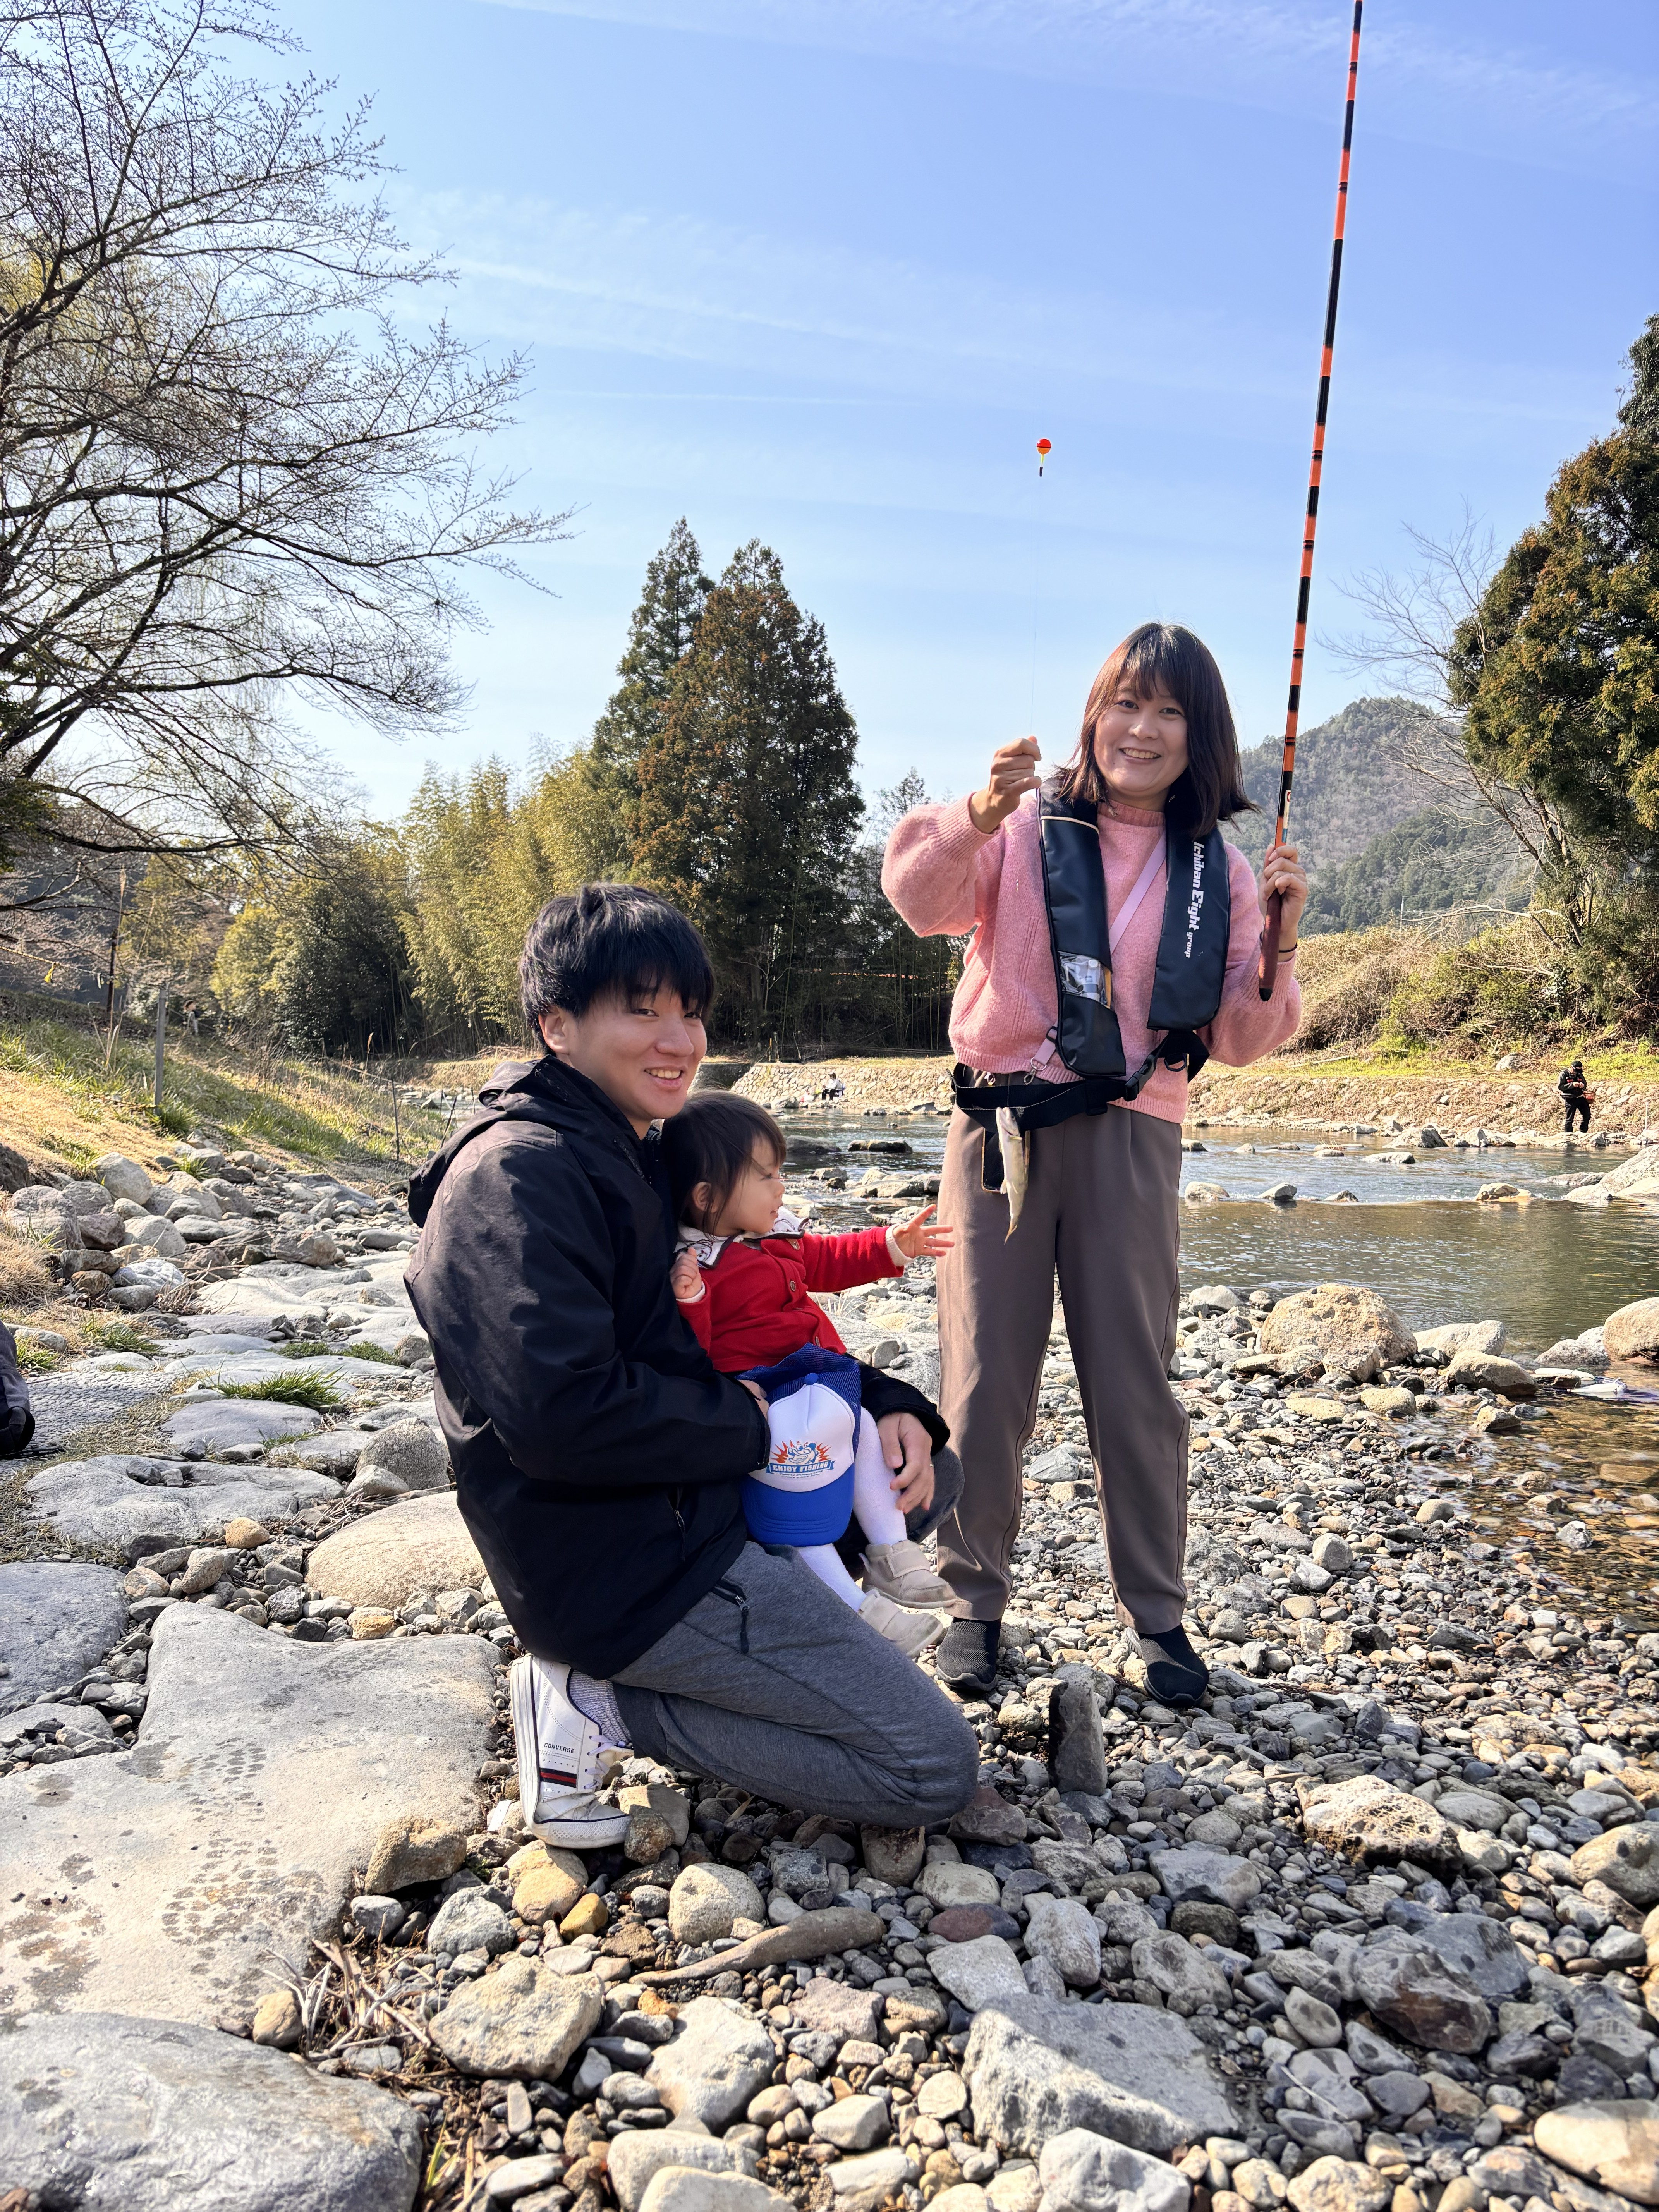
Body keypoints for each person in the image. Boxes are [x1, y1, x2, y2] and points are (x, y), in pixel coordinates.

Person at [405, 883, 977, 1849]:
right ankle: (592, 1701)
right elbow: (563, 1415)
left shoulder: (639, 1150)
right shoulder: (517, 1180)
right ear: (557, 1025)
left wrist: (881, 1401)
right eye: (641, 1008)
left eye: (692, 1010)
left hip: (690, 1499)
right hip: (623, 1564)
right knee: (928, 1767)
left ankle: (795, 1638)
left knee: (921, 1465)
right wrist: (760, 1429)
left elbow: (753, 1309)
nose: (679, 1039)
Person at [883, 622, 1306, 1704]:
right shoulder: (1022, 825)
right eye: (1126, 704)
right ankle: (972, 1601)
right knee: (983, 1384)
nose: (1142, 729)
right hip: (999, 1134)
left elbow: (1245, 1038)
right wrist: (973, 813)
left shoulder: (1223, 868)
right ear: (1093, 714)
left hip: (1135, 1132)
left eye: (1169, 712)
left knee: (1136, 1384)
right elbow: (920, 899)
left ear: (1198, 736)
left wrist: (1281, 942)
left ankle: (1157, 1619)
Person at [663, 1091, 955, 1656]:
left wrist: (891, 1245)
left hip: (818, 1381)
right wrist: (692, 1302)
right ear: (707, 1197)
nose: (782, 1188)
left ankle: (892, 1553)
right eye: (768, 1176)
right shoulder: (698, 1265)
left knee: (866, 1431)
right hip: (764, 1400)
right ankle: (852, 1608)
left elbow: (829, 1260)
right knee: (799, 1490)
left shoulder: (777, 1236)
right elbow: (689, 1354)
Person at [1558, 1060, 1593, 1134]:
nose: (1577, 1073)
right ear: (1571, 1067)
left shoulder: (1580, 1075)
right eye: (1576, 1071)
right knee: (1570, 1119)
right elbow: (1561, 1087)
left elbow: (1585, 1084)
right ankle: (1568, 1134)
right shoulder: (1564, 1074)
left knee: (1587, 1115)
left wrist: (1583, 1086)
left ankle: (1583, 1132)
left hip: (1580, 1097)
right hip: (1570, 1099)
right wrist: (1572, 1085)